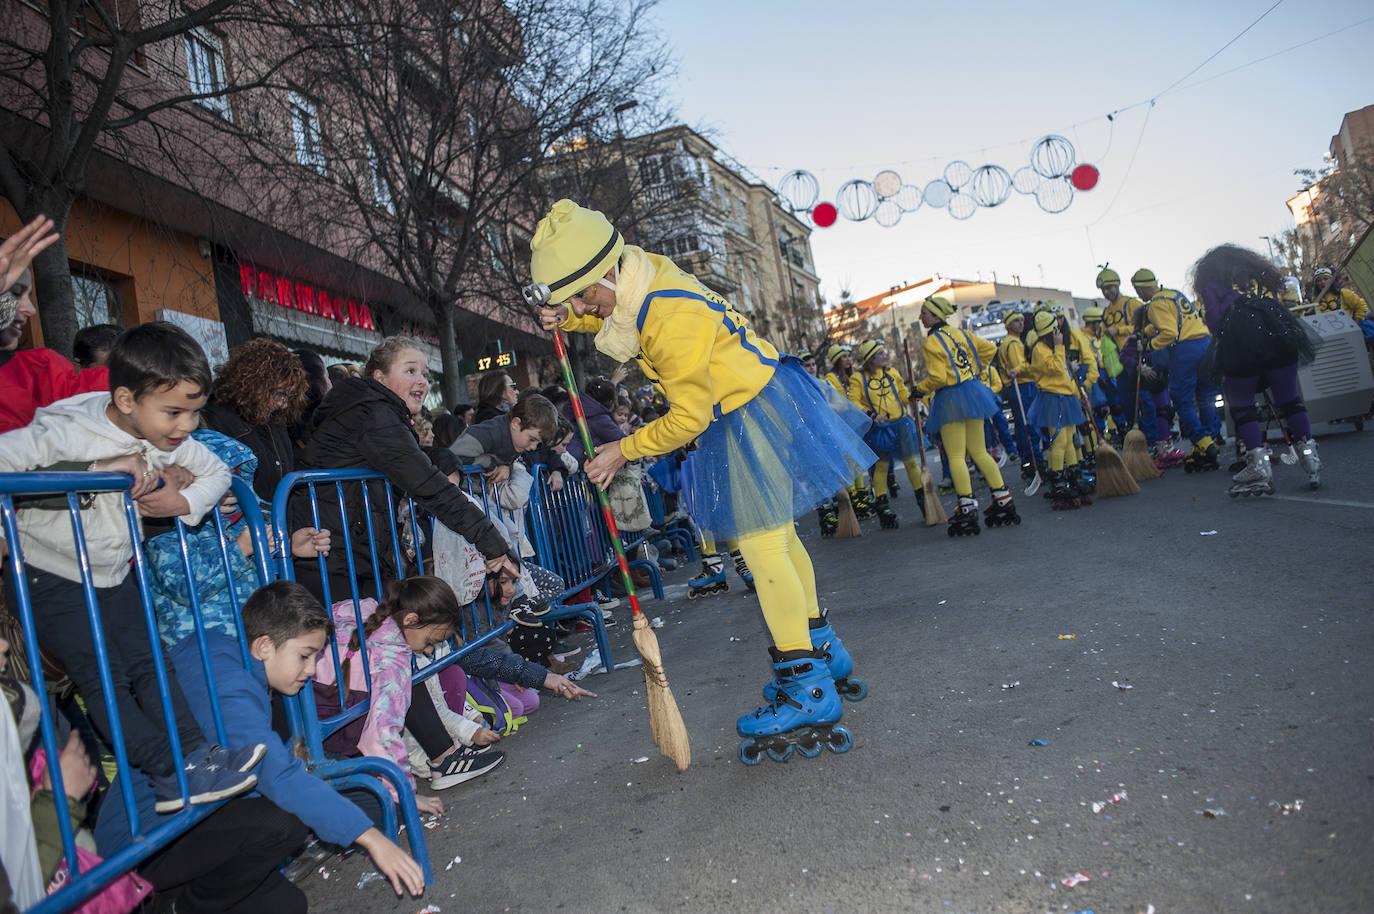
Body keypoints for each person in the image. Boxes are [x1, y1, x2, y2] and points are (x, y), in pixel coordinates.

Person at [531, 199, 874, 762]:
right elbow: (613, 312)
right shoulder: (641, 275)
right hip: (759, 399)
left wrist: (622, 449)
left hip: (744, 411)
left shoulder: (667, 316)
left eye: (582, 297)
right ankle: (820, 650)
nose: (581, 306)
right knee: (780, 540)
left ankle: (808, 686)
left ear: (605, 273)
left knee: (763, 549)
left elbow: (688, 418)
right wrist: (571, 318)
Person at [0, 322, 265, 812]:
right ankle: (168, 773)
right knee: (105, 677)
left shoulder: (158, 431)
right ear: (125, 399)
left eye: (193, 412)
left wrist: (180, 503)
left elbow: (217, 470)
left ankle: (197, 755)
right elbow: (5, 465)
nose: (186, 426)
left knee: (152, 664)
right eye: (174, 412)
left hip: (114, 570)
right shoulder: (63, 427)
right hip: (49, 572)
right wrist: (93, 475)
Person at [97, 581, 427, 906]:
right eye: (305, 656)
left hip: (185, 821)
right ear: (265, 646)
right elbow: (276, 776)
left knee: (287, 905)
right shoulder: (227, 686)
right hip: (147, 845)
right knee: (283, 823)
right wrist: (370, 838)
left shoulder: (228, 656)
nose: (311, 670)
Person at [1192, 244, 1319, 494]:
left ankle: (1258, 467)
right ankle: (1309, 456)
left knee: (1243, 406)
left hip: (1240, 344)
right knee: (1290, 400)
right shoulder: (1258, 277)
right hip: (1279, 335)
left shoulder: (1212, 286)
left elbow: (1216, 322)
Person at [914, 296, 1019, 535]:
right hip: (972, 392)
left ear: (937, 315)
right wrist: (972, 370)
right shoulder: (961, 333)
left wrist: (918, 390)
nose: (921, 317)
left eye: (924, 313)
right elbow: (990, 349)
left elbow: (939, 378)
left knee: (956, 457)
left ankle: (966, 506)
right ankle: (1003, 497)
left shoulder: (931, 342)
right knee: (980, 452)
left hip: (950, 398)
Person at [0, 217, 110, 433]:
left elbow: (85, 390)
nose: (30, 309)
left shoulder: (37, 370)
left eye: (28, 295)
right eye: (14, 293)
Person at [1131, 268, 1220, 472]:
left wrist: (1148, 345)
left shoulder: (1154, 304)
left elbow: (1170, 333)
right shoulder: (1173, 294)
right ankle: (1210, 439)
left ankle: (1204, 442)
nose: (1138, 295)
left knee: (1182, 400)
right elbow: (1177, 321)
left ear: (1141, 288)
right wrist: (1148, 331)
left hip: (1186, 349)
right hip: (1205, 343)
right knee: (1206, 397)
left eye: (1137, 290)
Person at [201, 338, 308, 501]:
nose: (283, 404)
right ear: (253, 383)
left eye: (288, 396)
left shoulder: (277, 424)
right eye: (279, 394)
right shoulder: (215, 419)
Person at [846, 339, 924, 529]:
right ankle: (883, 507)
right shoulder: (858, 379)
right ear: (871, 359)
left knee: (911, 463)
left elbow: (904, 396)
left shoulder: (892, 373)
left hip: (901, 424)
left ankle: (923, 500)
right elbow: (853, 402)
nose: (885, 356)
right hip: (880, 429)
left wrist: (915, 393)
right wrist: (872, 415)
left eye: (884, 352)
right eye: (880, 353)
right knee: (881, 467)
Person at [1026, 311, 1089, 510]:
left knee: (1070, 441)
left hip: (1066, 397)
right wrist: (1060, 346)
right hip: (1052, 399)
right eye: (1056, 329)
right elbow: (1054, 368)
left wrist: (1080, 395)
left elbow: (1065, 374)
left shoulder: (1052, 348)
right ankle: (1058, 483)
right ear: (1050, 331)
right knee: (1059, 442)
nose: (1059, 332)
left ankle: (1074, 475)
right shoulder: (1040, 349)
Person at [997, 311, 1041, 479]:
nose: (1021, 323)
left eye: (1022, 320)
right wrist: (1034, 366)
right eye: (1016, 321)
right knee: (1028, 425)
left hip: (1020, 388)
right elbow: (1019, 366)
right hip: (1022, 386)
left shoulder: (1011, 341)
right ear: (1008, 325)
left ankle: (1027, 462)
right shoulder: (1013, 342)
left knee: (1023, 425)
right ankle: (1033, 460)